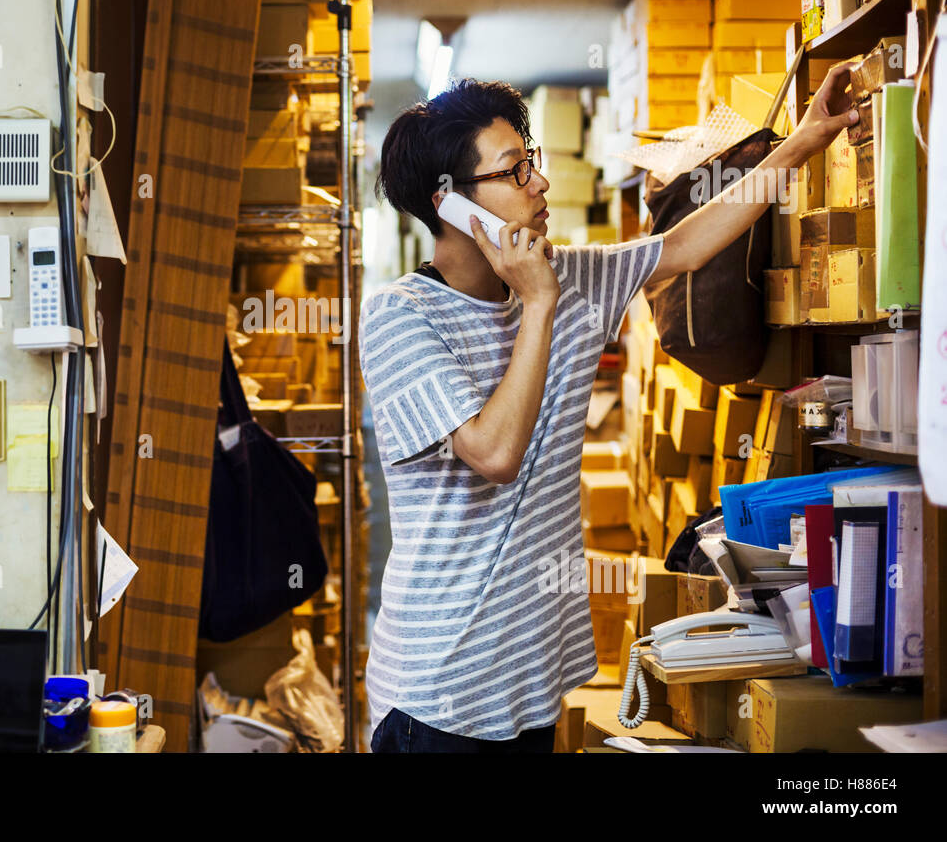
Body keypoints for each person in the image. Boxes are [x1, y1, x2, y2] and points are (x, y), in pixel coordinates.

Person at [360, 67, 857, 753]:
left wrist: (803, 143)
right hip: (438, 695)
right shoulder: (400, 317)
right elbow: (496, 453)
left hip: (530, 680)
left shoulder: (573, 276)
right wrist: (537, 304)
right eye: (514, 171)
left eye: (533, 161)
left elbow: (685, 244)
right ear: (450, 204)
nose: (540, 183)